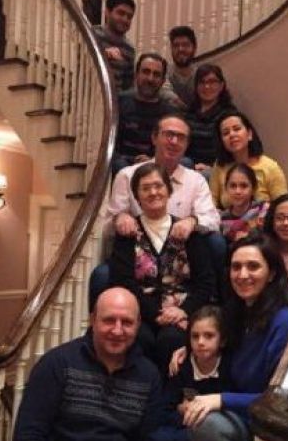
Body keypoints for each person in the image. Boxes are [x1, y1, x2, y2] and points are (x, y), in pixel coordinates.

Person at [169, 235, 288, 441]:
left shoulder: (284, 321)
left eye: (253, 266)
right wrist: (189, 348)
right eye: (236, 267)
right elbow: (211, 339)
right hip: (235, 407)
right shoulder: (236, 311)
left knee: (205, 423)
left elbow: (278, 398)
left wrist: (221, 399)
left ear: (272, 274)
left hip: (260, 419)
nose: (242, 274)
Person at [90, 114, 223, 310]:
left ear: (187, 144)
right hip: (137, 259)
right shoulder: (127, 175)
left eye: (181, 137)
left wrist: (192, 221)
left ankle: (212, 304)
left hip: (182, 261)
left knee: (215, 242)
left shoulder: (196, 181)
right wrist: (120, 217)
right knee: (102, 275)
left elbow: (213, 220)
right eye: (168, 134)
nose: (174, 141)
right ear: (154, 138)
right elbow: (108, 229)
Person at [13, 287, 165, 441]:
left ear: (138, 324)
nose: (117, 331)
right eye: (109, 320)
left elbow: (151, 436)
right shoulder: (56, 364)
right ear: (93, 320)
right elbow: (28, 434)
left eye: (127, 322)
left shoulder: (149, 376)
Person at [109, 163, 214, 372]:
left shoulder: (188, 231)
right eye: (145, 188)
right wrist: (156, 314)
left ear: (169, 190)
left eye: (158, 186)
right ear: (136, 197)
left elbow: (205, 282)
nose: (153, 192)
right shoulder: (128, 234)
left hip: (181, 312)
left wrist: (183, 311)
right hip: (141, 311)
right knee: (140, 339)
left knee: (171, 340)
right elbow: (123, 282)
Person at [157, 305, 233, 441]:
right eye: (195, 336)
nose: (200, 342)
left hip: (214, 427)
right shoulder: (181, 366)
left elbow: (232, 409)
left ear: (222, 340)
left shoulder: (229, 367)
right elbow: (165, 409)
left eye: (209, 336)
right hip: (183, 427)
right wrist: (182, 410)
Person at [113, 53, 177, 175]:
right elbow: (109, 142)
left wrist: (153, 161)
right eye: (146, 72)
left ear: (163, 80)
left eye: (156, 74)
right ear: (136, 75)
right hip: (121, 163)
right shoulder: (119, 103)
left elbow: (171, 148)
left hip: (156, 166)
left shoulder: (170, 113)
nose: (150, 79)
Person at [209, 111, 288, 209]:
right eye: (226, 133)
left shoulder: (270, 167)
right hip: (227, 218)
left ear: (249, 134)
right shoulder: (220, 166)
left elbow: (283, 206)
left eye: (237, 129)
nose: (232, 135)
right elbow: (210, 202)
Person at [185, 64, 237, 178]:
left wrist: (212, 168)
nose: (207, 86)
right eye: (202, 82)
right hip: (190, 166)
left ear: (221, 85)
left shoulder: (229, 114)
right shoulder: (189, 112)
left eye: (212, 82)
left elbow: (233, 151)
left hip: (217, 168)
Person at [92, 0, 136, 92]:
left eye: (129, 17)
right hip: (89, 96)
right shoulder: (93, 34)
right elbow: (83, 61)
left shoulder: (129, 49)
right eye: (121, 13)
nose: (125, 19)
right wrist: (106, 54)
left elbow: (127, 86)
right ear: (107, 12)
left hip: (114, 99)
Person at [219, 164, 269, 244]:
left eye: (244, 186)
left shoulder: (263, 209)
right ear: (226, 188)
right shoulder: (222, 219)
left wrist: (248, 236)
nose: (238, 191)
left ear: (254, 189)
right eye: (233, 186)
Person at [160, 26, 198, 109]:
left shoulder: (201, 75)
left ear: (194, 48)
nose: (180, 49)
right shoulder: (163, 72)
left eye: (185, 45)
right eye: (176, 45)